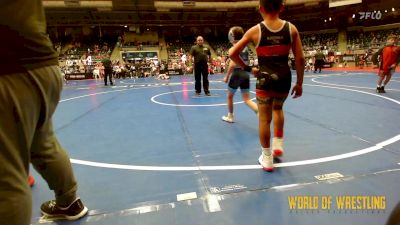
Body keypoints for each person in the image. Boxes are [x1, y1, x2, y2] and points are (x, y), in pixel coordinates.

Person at [0, 1, 88, 224]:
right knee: (42, 141)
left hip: (9, 66)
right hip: (43, 64)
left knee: (4, 178)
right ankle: (68, 201)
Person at [229, 0, 305, 172]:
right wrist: (299, 83)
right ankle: (278, 143)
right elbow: (300, 59)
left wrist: (248, 68)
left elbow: (232, 53)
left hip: (264, 79)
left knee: (264, 119)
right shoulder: (291, 29)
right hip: (284, 79)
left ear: (260, 9)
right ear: (282, 7)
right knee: (278, 109)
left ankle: (267, 158)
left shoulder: (255, 31)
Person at [222, 26, 258, 123]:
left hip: (237, 73)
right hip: (246, 74)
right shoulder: (245, 47)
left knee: (229, 96)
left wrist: (227, 76)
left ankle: (230, 116)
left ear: (231, 36)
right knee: (247, 99)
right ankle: (260, 112)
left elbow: (233, 64)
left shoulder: (233, 49)